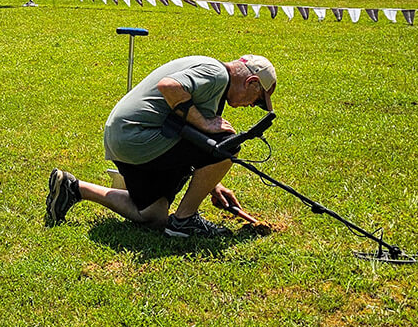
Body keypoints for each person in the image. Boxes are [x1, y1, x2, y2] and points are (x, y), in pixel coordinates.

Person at [45, 54, 277, 238]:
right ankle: (184, 221)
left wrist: (213, 184)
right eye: (256, 100)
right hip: (139, 137)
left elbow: (194, 138)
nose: (251, 105)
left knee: (153, 216)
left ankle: (74, 188)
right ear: (252, 82)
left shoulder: (211, 74)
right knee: (229, 144)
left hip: (123, 139)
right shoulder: (217, 75)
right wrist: (205, 123)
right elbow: (169, 86)